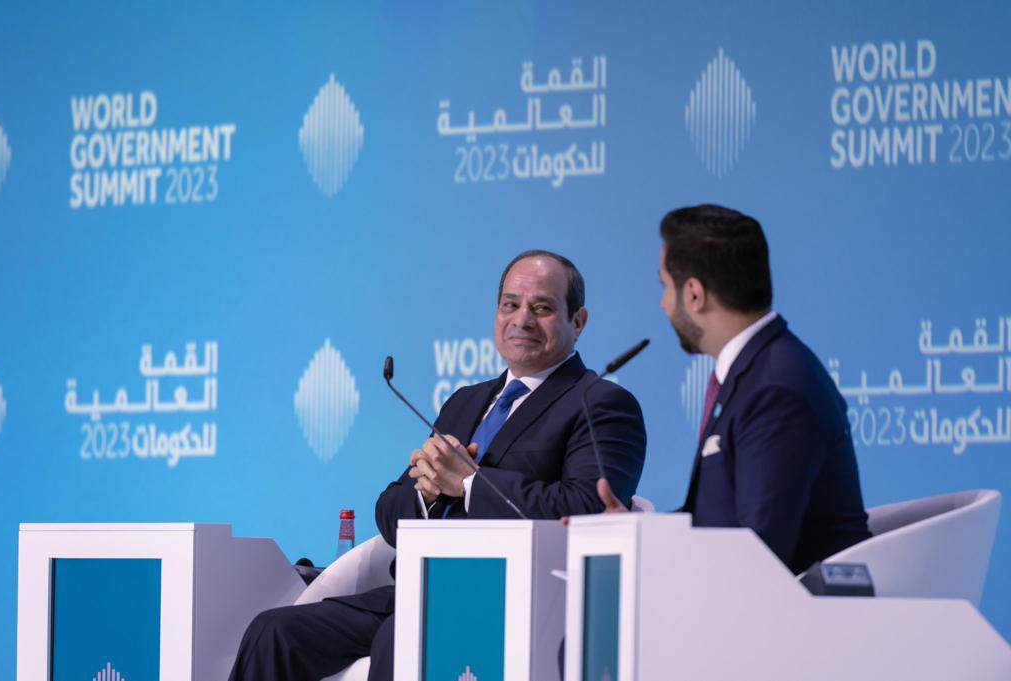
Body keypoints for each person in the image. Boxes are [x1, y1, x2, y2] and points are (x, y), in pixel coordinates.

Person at [229, 250, 646, 681]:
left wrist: (470, 484)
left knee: (403, 640)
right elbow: (390, 507)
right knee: (273, 632)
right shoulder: (466, 401)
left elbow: (586, 511)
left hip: (513, 599)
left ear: (577, 322)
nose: (522, 319)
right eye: (510, 304)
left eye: (541, 308)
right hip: (417, 591)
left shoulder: (601, 403)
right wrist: (426, 494)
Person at [598, 204, 870, 574]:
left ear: (694, 294)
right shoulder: (758, 370)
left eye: (665, 286)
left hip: (786, 605)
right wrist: (637, 532)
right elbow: (717, 522)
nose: (663, 304)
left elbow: (758, 552)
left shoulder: (776, 389)